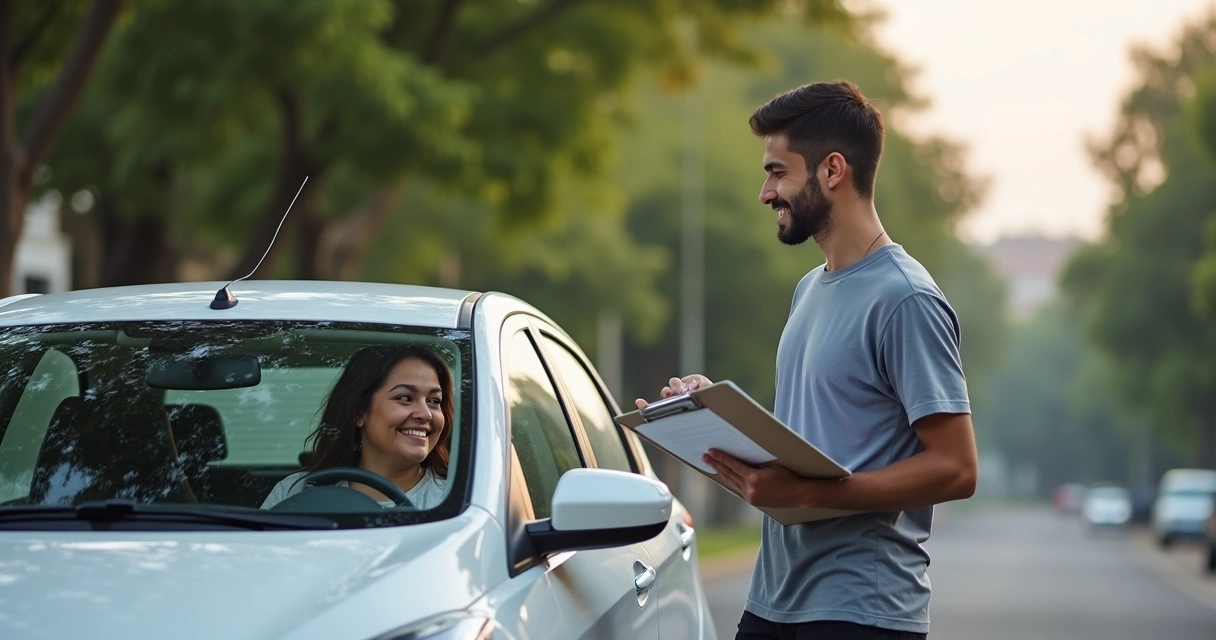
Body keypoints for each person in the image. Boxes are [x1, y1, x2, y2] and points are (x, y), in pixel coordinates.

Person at [636, 81, 977, 639]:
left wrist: (815, 494)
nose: (765, 193)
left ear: (832, 171)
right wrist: (711, 418)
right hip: (774, 600)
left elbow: (957, 468)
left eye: (777, 172)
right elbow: (808, 453)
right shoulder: (808, 290)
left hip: (860, 611)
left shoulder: (905, 297)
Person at [262, 345, 453, 510]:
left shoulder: (461, 500)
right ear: (359, 411)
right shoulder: (292, 494)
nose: (426, 413)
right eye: (405, 398)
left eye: (434, 401)